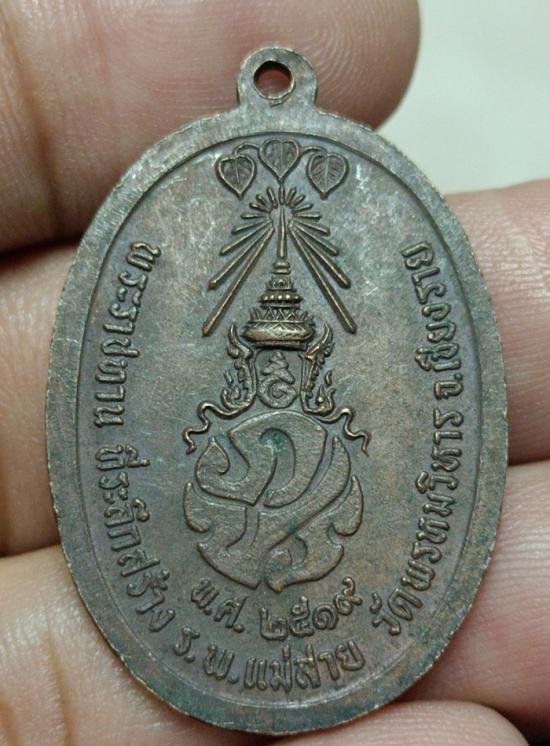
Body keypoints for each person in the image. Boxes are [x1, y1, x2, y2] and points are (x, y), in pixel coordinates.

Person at [0, 1, 547, 744]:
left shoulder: (307, 438)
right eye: (269, 365)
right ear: (250, 363)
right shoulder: (254, 432)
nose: (280, 380)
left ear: (307, 363)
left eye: (291, 366)